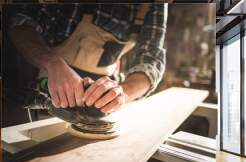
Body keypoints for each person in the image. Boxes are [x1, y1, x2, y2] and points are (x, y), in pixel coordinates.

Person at [9, 3, 167, 114]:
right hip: (36, 92)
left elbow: (151, 59)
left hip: (103, 100)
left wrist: (122, 94)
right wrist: (53, 63)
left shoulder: (152, 5)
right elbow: (21, 22)